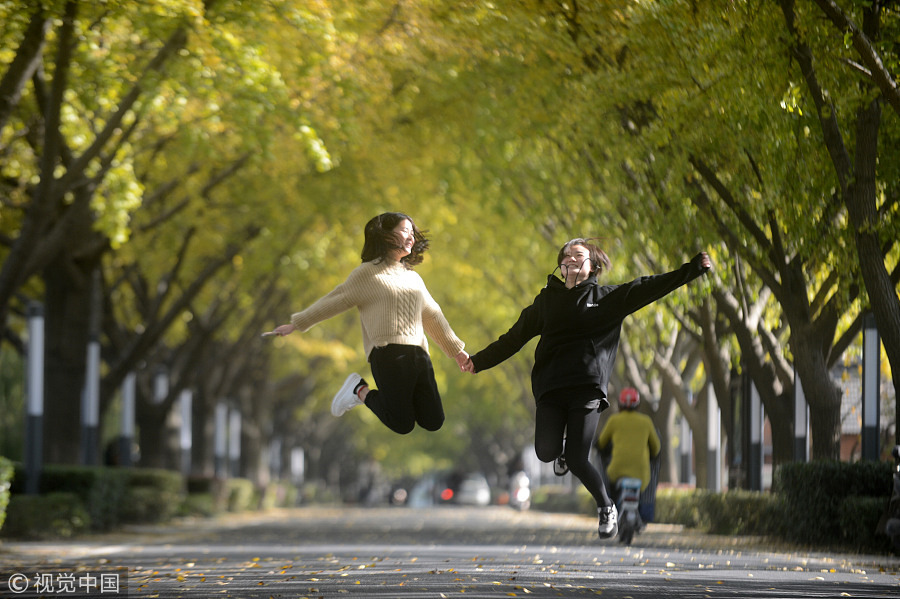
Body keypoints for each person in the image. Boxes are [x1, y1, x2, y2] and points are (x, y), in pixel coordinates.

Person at [462, 238, 711, 539]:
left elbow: (649, 287)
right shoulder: (546, 301)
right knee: (545, 452)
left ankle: (606, 507)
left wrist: (692, 269)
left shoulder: (607, 298)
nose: (570, 260)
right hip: (551, 388)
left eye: (577, 256)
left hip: (587, 388)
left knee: (579, 458)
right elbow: (513, 338)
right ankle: (562, 453)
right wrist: (477, 362)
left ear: (592, 265)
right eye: (565, 257)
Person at [267, 212, 470, 434]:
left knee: (433, 421)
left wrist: (456, 351)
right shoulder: (366, 274)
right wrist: (297, 323)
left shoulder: (413, 278)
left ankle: (392, 402)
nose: (411, 237)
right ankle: (359, 390)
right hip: (388, 353)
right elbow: (335, 300)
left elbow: (432, 314)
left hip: (420, 354)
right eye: (405, 231)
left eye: (413, 233)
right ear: (385, 235)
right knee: (402, 424)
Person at [597, 387, 661, 526]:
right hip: (642, 474)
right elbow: (656, 448)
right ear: (638, 405)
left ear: (620, 405)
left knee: (606, 476)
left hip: (616, 472)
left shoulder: (614, 420)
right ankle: (646, 513)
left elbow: (601, 443)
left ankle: (608, 507)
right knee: (654, 468)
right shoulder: (646, 421)